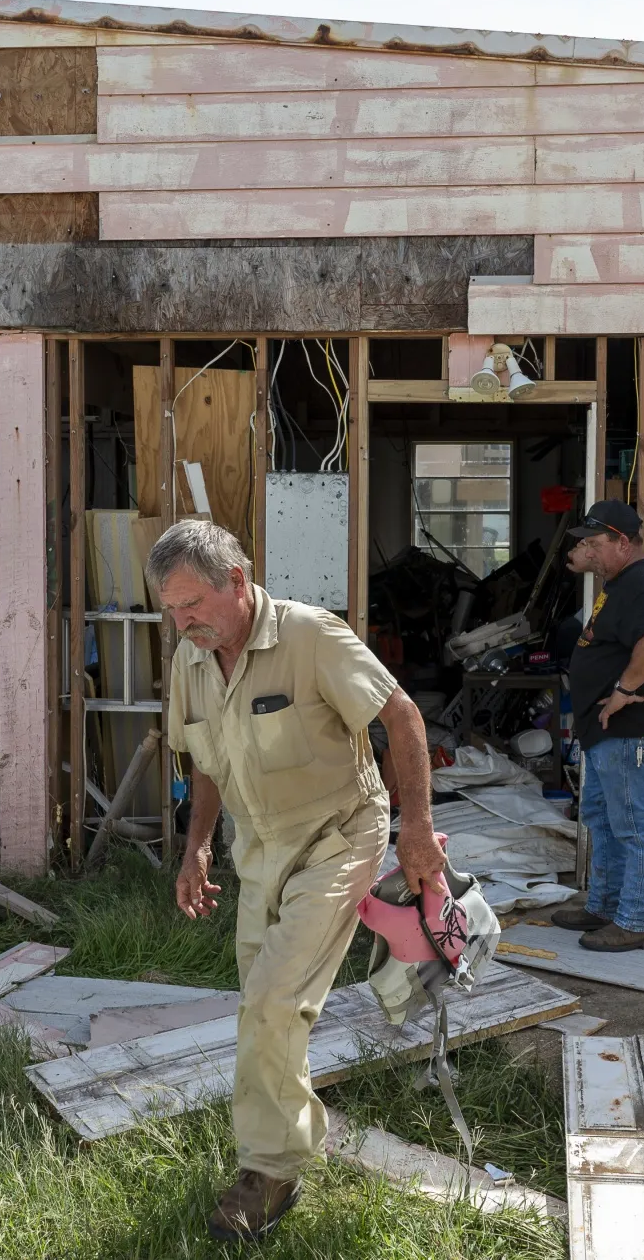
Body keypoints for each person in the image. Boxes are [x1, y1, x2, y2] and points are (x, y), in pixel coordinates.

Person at [150, 519, 445, 1243]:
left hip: (340, 833)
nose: (183, 621)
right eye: (171, 609)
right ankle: (289, 1131)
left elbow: (401, 716)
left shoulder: (311, 635)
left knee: (273, 996)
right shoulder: (191, 662)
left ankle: (270, 1172)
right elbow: (208, 765)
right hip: (260, 847)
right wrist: (197, 849)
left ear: (237, 582)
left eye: (193, 604)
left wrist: (414, 827)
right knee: (268, 1001)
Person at [552, 499, 644, 952]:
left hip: (634, 730)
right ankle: (605, 907)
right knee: (604, 821)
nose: (586, 550)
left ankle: (640, 921)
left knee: (634, 825)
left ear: (622, 543)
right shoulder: (621, 579)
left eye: (594, 543)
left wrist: (624, 691)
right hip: (608, 732)